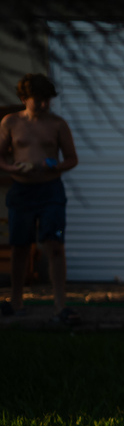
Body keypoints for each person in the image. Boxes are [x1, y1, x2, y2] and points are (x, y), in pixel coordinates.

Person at [0, 74, 79, 324]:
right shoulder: (10, 122)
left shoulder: (57, 124)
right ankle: (16, 300)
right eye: (39, 100)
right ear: (24, 99)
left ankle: (59, 305)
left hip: (50, 191)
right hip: (22, 192)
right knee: (20, 247)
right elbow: (0, 157)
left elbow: (72, 158)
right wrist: (13, 169)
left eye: (48, 100)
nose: (45, 105)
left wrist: (56, 166)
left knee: (55, 246)